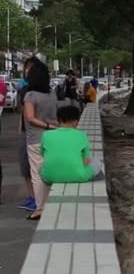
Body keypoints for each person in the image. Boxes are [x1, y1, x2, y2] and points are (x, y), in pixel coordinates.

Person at [23, 59, 57, 220]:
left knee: (37, 174)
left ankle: (40, 209)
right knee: (51, 170)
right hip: (53, 137)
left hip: (36, 138)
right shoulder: (52, 94)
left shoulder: (30, 95)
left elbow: (30, 118)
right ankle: (52, 203)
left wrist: (46, 126)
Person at [41, 106, 102, 184]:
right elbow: (86, 161)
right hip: (79, 176)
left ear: (58, 120)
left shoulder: (46, 134)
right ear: (76, 121)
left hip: (49, 177)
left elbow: (43, 155)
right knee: (97, 162)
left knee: (40, 166)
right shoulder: (81, 135)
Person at [16, 58, 36, 211]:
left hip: (31, 134)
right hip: (35, 132)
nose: (26, 70)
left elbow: (26, 115)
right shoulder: (46, 90)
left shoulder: (27, 91)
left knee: (28, 168)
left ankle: (34, 199)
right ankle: (34, 198)